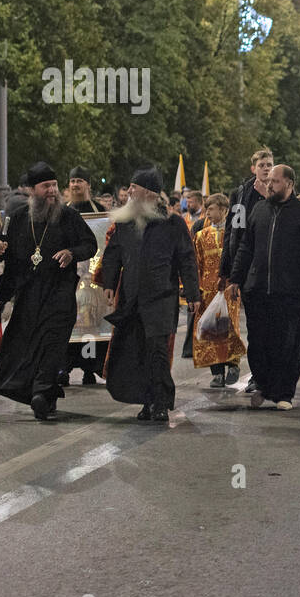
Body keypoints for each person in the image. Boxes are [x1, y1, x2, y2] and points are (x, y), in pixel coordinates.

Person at [0, 162, 99, 420]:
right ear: (32, 190)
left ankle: (41, 391)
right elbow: (11, 258)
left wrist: (72, 253)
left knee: (52, 344)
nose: (52, 190)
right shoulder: (19, 219)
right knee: (28, 347)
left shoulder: (68, 216)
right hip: (28, 295)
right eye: (45, 186)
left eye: (54, 185)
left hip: (59, 293)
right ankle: (43, 396)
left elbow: (89, 245)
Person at [95, 168, 201, 423]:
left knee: (158, 352)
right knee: (138, 351)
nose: (129, 192)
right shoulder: (125, 222)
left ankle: (161, 403)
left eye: (134, 187)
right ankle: (146, 400)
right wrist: (109, 282)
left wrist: (193, 292)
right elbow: (113, 255)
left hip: (162, 297)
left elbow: (187, 259)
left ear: (148, 193)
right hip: (132, 298)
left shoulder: (173, 223)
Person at [228, 165, 300, 411]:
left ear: (289, 184)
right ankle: (263, 384)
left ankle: (284, 392)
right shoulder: (258, 210)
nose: (269, 184)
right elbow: (245, 248)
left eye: (275, 181)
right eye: (268, 180)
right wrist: (235, 279)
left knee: (288, 345)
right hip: (258, 290)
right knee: (259, 342)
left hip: (291, 292)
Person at [221, 148, 274, 391]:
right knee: (255, 325)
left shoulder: (279, 190)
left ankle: (272, 374)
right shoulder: (241, 195)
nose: (266, 168)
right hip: (249, 264)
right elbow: (233, 231)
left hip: (275, 267)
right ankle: (257, 375)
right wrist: (229, 271)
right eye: (262, 164)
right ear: (253, 168)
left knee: (273, 325)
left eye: (269, 164)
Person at [191, 193, 245, 387]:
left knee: (229, 327)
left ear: (223, 210)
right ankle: (217, 373)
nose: (208, 213)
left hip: (229, 289)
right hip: (207, 291)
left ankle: (233, 365)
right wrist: (192, 291)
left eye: (211, 209)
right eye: (206, 209)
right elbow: (196, 265)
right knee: (211, 330)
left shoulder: (233, 235)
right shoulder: (200, 237)